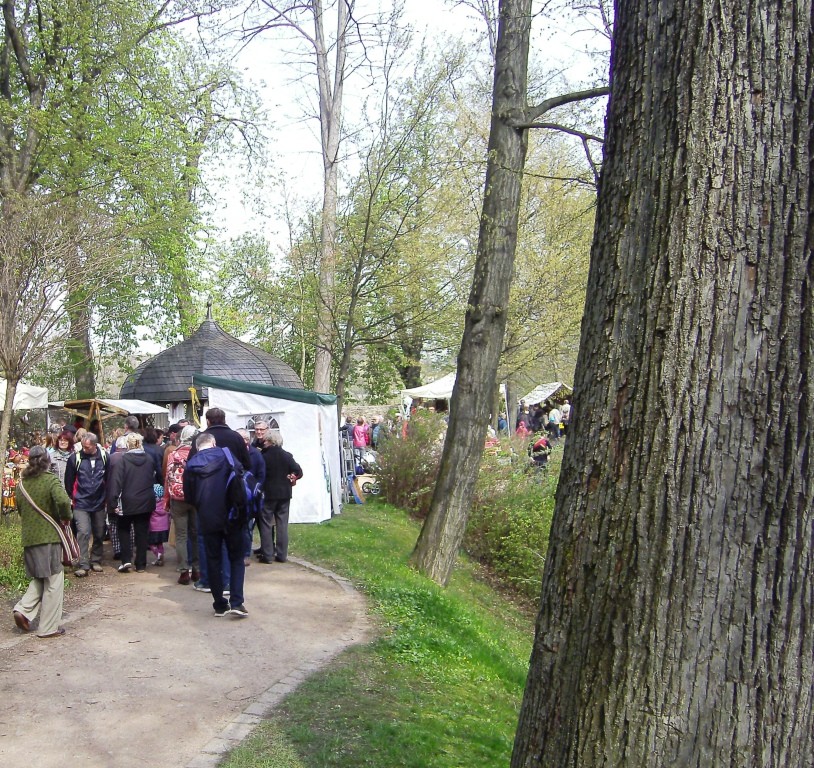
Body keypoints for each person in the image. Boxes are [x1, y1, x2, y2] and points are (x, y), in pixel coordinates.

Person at [183, 433, 248, 618]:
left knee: (213, 559)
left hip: (207, 516)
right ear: (213, 442)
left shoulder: (191, 465)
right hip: (232, 514)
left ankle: (219, 604)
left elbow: (189, 496)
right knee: (236, 558)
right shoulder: (226, 455)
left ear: (197, 447)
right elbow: (240, 477)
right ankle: (237, 601)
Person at [12, 446, 72, 638]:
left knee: (40, 577)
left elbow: (21, 510)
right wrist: (66, 518)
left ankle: (22, 609)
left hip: (29, 538)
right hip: (49, 537)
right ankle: (48, 627)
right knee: (54, 580)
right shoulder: (50, 480)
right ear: (48, 461)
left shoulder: (21, 485)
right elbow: (63, 501)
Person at [106, 432, 157, 573]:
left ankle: (126, 560)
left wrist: (113, 501)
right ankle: (141, 564)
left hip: (127, 500)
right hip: (146, 500)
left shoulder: (122, 460)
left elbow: (116, 482)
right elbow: (155, 476)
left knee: (124, 530)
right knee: (142, 532)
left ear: (127, 444)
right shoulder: (149, 459)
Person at [63, 433, 109, 577]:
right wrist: (72, 497)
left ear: (95, 445)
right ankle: (83, 563)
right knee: (83, 531)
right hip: (81, 502)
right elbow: (68, 480)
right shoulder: (75, 458)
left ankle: (96, 559)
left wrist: (106, 496)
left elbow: (108, 477)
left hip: (99, 501)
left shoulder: (105, 457)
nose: (84, 449)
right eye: (82, 446)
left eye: (87, 447)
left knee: (100, 531)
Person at [258, 430, 303, 564]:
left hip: (268, 494)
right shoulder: (287, 455)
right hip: (284, 493)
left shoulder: (263, 456)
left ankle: (268, 555)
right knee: (282, 524)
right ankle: (282, 555)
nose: (263, 442)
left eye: (265, 440)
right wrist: (292, 476)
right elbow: (298, 471)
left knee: (265, 523)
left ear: (271, 441)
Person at [166, 425, 200, 585]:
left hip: (178, 497)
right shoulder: (198, 454)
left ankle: (184, 571)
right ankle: (197, 569)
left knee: (181, 535)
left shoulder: (174, 454)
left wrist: (167, 499)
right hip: (195, 497)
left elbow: (168, 477)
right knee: (195, 533)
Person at [238, 428, 266, 566]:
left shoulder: (255, 454)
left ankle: (245, 554)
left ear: (246, 440)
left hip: (250, 496)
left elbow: (261, 474)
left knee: (248, 527)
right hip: (236, 494)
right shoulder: (232, 452)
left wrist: (256, 489)